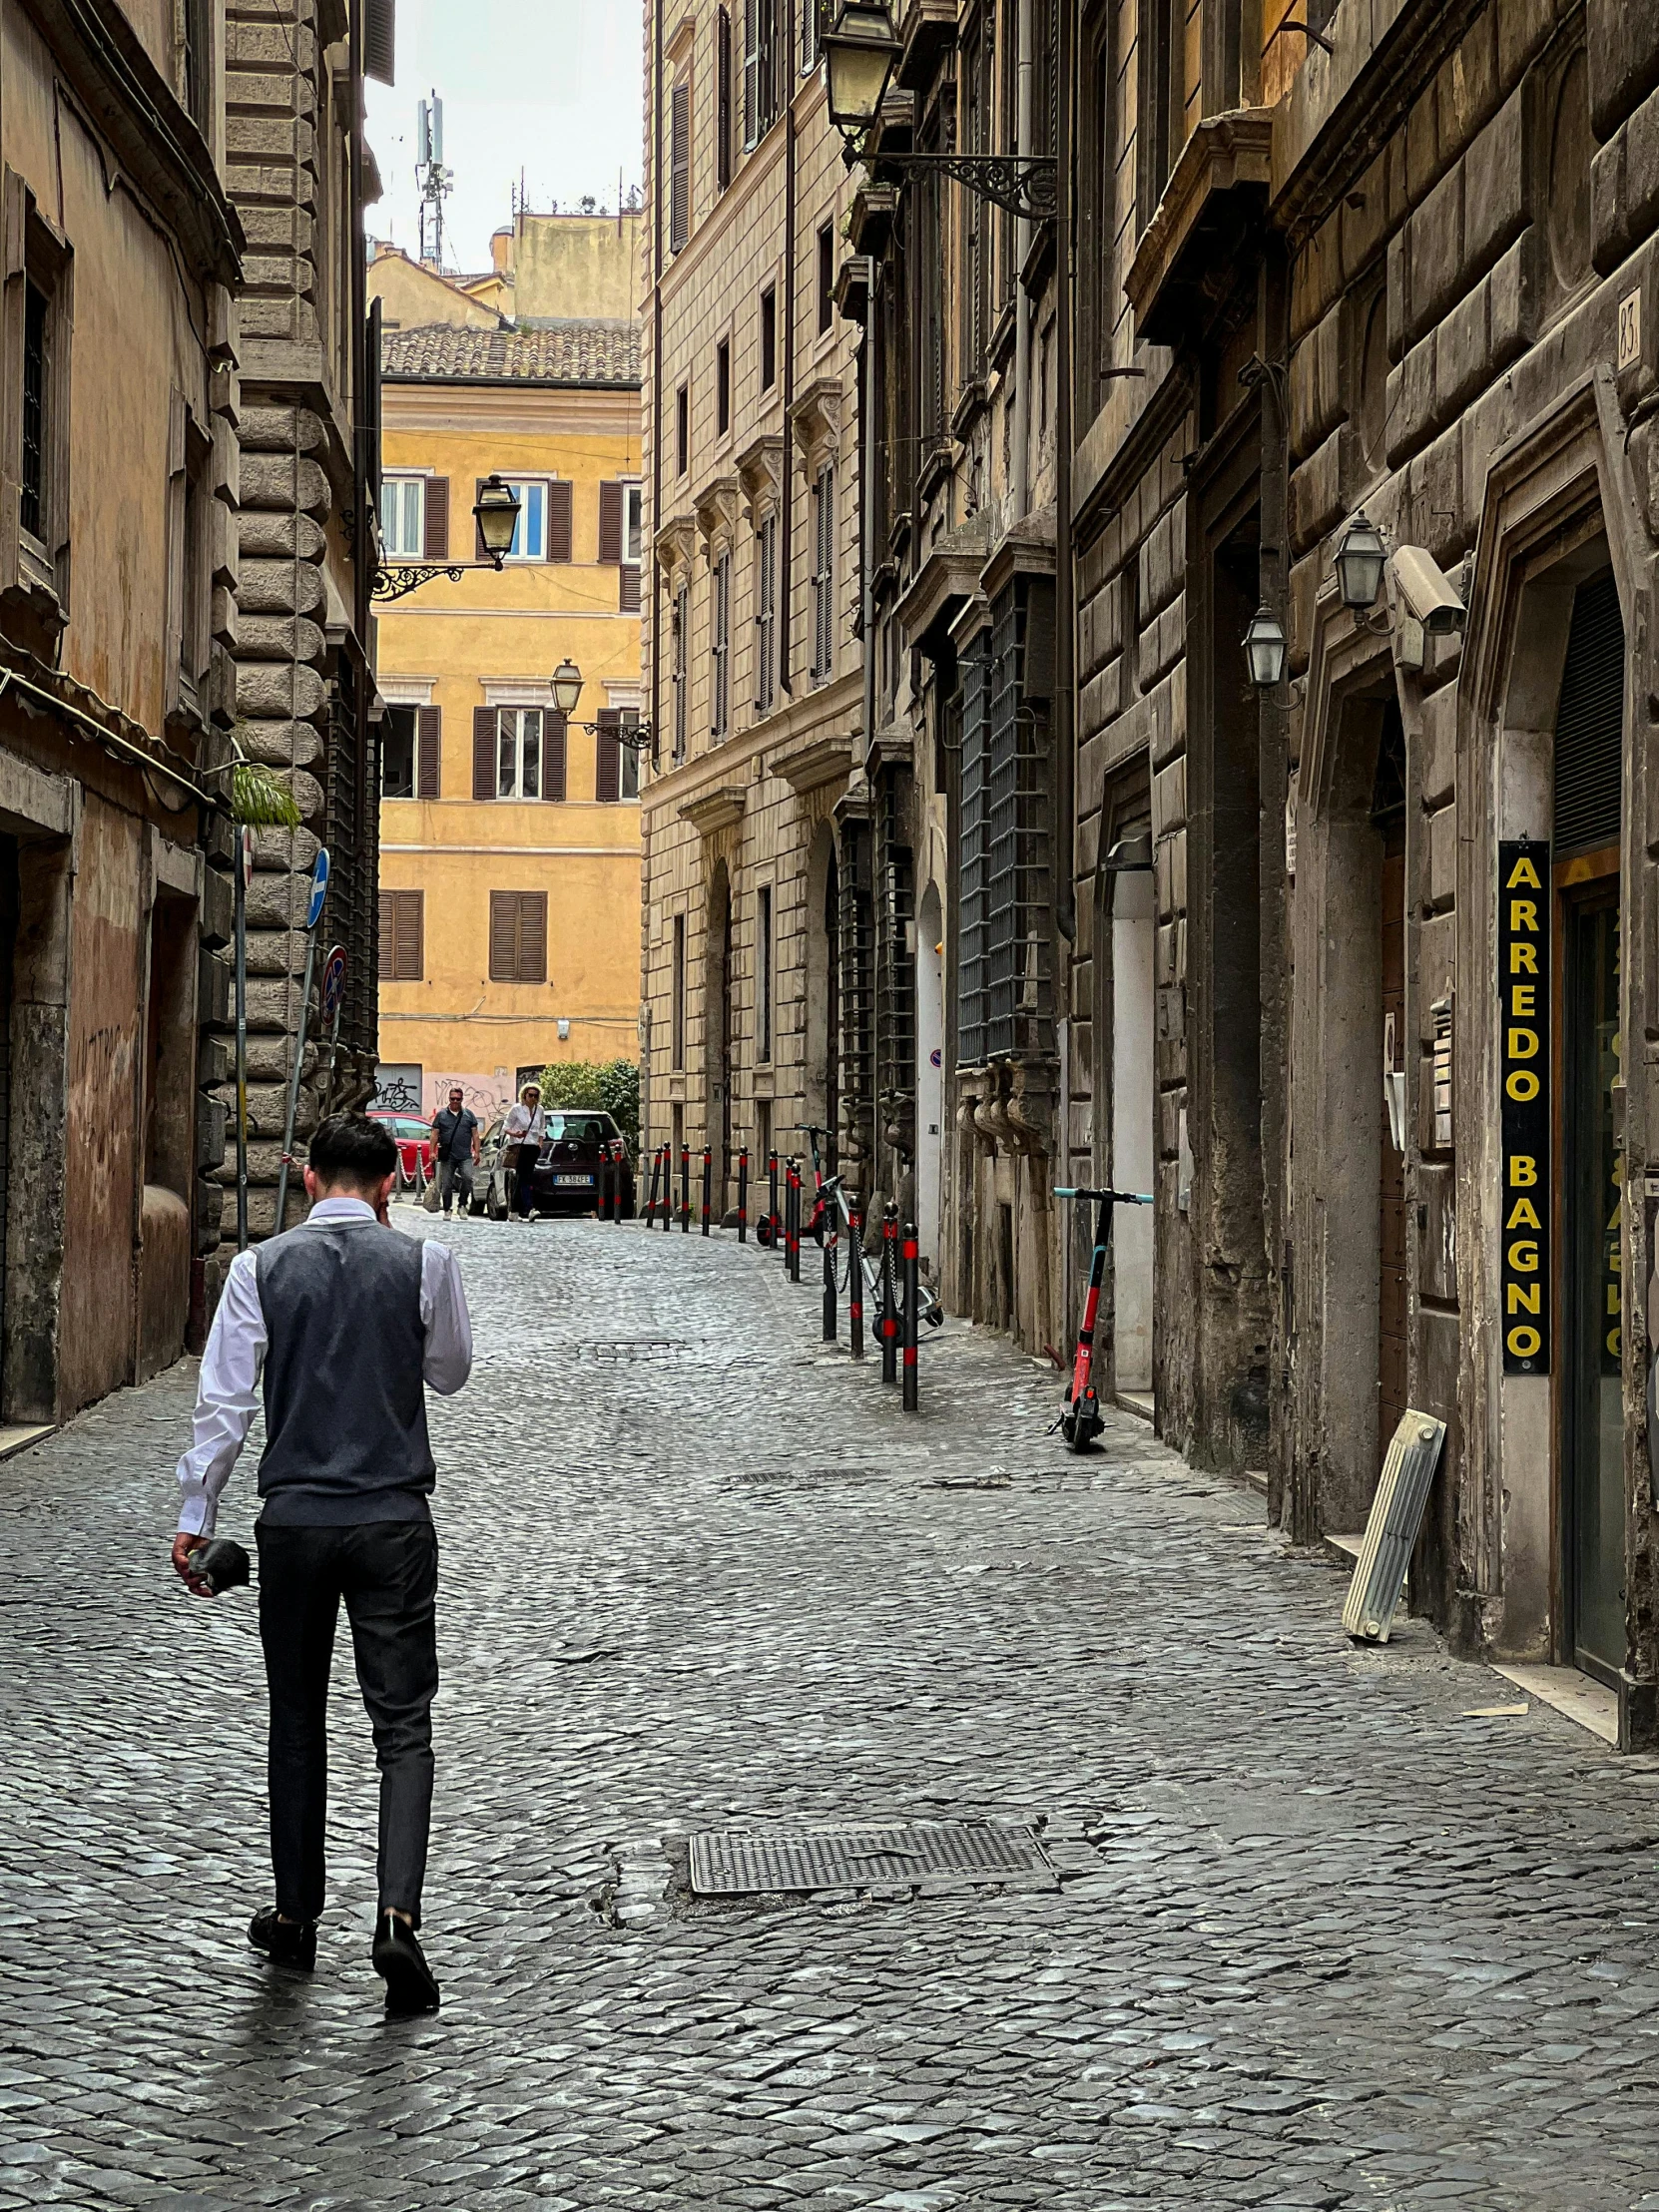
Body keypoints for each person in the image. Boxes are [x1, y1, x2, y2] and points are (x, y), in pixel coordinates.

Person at [171, 1112, 472, 2014]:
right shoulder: (425, 1263)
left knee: (296, 1719)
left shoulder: (258, 1269)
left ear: (308, 1180)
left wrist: (196, 1515)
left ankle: (297, 1918)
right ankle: (397, 1921)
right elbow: (451, 1373)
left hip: (294, 1521)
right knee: (403, 1726)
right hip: (391, 1520)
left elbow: (224, 1404)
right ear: (389, 1187)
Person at [429, 1086, 480, 1217]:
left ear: (462, 1099)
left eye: (458, 1099)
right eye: (453, 1099)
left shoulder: (469, 1115)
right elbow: (435, 1134)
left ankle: (462, 1204)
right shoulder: (441, 1115)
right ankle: (447, 1208)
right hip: (448, 1155)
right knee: (446, 1183)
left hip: (465, 1155)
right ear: (449, 1099)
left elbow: (475, 1134)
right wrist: (432, 1151)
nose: (455, 1101)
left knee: (468, 1179)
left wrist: (477, 1152)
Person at [502, 1081, 546, 1220]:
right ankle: (529, 1208)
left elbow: (541, 1129)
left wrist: (540, 1143)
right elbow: (506, 1127)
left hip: (533, 1147)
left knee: (523, 1179)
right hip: (520, 1146)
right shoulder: (516, 1109)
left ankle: (514, 1211)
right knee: (525, 1178)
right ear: (524, 1095)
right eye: (530, 1095)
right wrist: (516, 1134)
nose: (533, 1098)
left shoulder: (540, 1110)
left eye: (535, 1096)